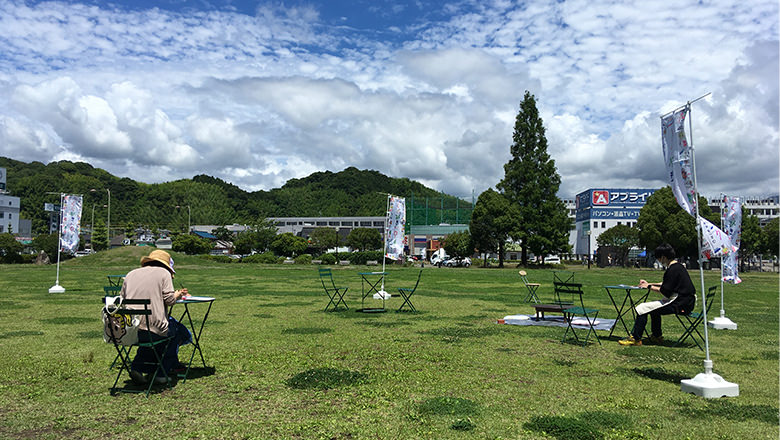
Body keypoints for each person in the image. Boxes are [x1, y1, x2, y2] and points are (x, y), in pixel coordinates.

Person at [121, 249, 191, 384]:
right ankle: (161, 372)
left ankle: (139, 367)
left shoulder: (131, 274)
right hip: (153, 330)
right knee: (178, 332)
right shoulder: (164, 274)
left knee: (154, 333)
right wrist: (177, 295)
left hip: (129, 330)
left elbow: (122, 299)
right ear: (166, 265)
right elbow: (169, 301)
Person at [618, 243, 696, 346]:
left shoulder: (672, 270)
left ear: (663, 257)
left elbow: (665, 291)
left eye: (659, 258)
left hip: (680, 303)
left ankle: (635, 338)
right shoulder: (678, 267)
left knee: (642, 308)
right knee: (654, 310)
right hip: (687, 301)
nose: (659, 261)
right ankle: (657, 336)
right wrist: (649, 284)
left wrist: (648, 287)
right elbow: (666, 284)